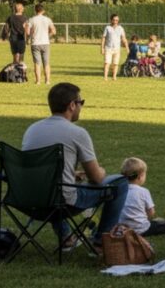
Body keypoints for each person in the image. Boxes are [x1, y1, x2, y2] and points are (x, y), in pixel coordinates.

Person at [22, 83, 129, 247]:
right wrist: (101, 170)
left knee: (55, 187)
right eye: (81, 102)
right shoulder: (77, 133)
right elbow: (97, 178)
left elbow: (39, 171)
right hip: (63, 203)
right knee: (120, 182)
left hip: (29, 201)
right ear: (72, 105)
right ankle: (102, 239)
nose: (81, 107)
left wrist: (70, 174)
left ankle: (65, 237)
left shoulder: (32, 129)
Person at [119, 157, 165, 236]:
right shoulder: (143, 191)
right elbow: (151, 212)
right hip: (141, 229)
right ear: (140, 177)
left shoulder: (119, 190)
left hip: (122, 229)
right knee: (162, 225)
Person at [26, 4, 56, 85]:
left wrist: (30, 37)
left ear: (35, 10)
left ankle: (38, 81)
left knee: (37, 63)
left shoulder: (31, 20)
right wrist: (48, 35)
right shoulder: (47, 19)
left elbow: (28, 32)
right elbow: (54, 31)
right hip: (45, 43)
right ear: (43, 11)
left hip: (35, 43)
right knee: (46, 63)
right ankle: (47, 81)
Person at [100, 14, 128, 80]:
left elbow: (123, 38)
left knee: (115, 63)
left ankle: (114, 77)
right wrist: (102, 48)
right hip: (108, 48)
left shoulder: (121, 28)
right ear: (111, 20)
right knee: (107, 63)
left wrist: (127, 47)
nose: (115, 21)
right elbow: (103, 38)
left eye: (117, 20)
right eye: (114, 20)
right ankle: (105, 77)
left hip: (117, 49)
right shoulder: (107, 28)